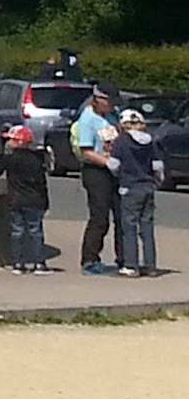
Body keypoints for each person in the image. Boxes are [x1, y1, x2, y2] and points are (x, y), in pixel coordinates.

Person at [71, 84, 122, 274]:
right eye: (109, 102)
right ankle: (90, 259)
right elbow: (86, 151)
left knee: (122, 216)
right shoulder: (87, 119)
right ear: (98, 100)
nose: (112, 106)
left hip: (116, 171)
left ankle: (125, 258)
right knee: (100, 217)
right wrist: (107, 162)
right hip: (96, 172)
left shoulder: (112, 117)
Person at [109, 107, 165, 277]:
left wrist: (118, 174)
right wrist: (156, 181)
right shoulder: (150, 141)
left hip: (129, 187)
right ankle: (151, 265)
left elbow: (113, 165)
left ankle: (131, 265)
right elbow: (157, 166)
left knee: (129, 227)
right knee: (147, 228)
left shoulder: (121, 141)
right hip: (148, 187)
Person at [1, 125, 50, 273]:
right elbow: (42, 183)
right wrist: (45, 202)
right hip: (34, 200)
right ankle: (39, 263)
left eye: (12, 140)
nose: (8, 143)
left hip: (16, 201)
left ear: (20, 141)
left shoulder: (9, 159)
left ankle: (18, 263)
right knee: (35, 232)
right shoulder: (36, 160)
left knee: (17, 232)